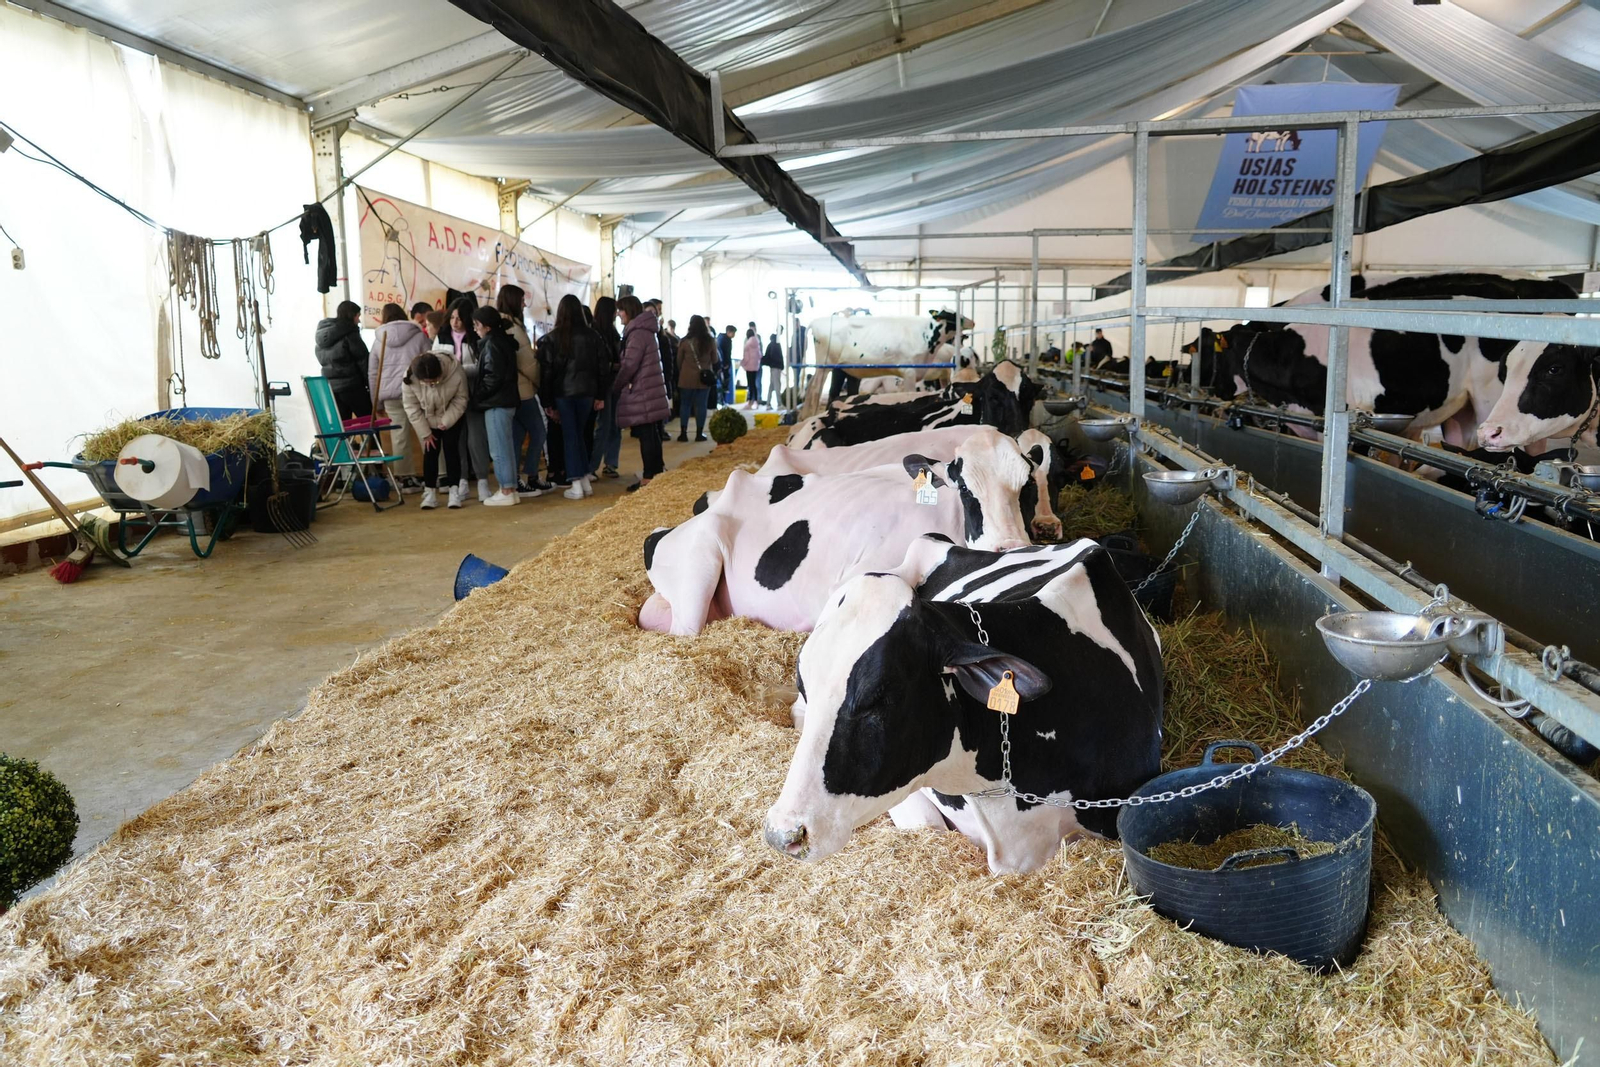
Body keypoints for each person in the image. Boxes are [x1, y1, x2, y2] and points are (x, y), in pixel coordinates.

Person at [538, 294, 607, 500]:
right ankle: (584, 480)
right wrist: (600, 394)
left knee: (570, 436)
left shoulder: (552, 338)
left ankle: (576, 482)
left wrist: (547, 402)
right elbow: (602, 368)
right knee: (580, 435)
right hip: (587, 393)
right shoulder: (594, 336)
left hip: (564, 394)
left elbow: (547, 374)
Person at [613, 295, 672, 492]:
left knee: (647, 434)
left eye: (621, 310)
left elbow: (630, 364)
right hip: (651, 389)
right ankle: (655, 473)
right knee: (652, 434)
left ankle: (648, 477)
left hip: (643, 391)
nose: (619, 314)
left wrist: (616, 384)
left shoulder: (637, 333)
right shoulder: (646, 330)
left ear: (628, 310)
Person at [370, 302, 430, 490]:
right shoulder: (419, 336)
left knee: (399, 435)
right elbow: (431, 362)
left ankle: (405, 479)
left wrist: (376, 401)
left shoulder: (379, 341)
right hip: (417, 391)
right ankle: (438, 475)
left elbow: (372, 373)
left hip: (391, 395)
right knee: (426, 432)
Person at [401, 344, 467, 509]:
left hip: (452, 415)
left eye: (435, 381)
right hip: (427, 418)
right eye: (426, 382)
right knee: (430, 451)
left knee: (451, 450)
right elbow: (411, 407)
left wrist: (446, 422)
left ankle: (454, 491)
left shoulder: (455, 370)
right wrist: (425, 432)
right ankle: (429, 492)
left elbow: (461, 399)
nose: (432, 384)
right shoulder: (410, 377)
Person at [497, 285, 549, 497]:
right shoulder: (513, 329)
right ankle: (531, 476)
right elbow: (528, 363)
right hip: (523, 390)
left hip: (511, 392)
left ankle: (518, 479)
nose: (524, 304)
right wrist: (539, 383)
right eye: (521, 301)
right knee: (538, 432)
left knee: (517, 437)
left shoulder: (503, 325)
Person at [469, 307, 522, 507]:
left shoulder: (491, 344)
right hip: (506, 401)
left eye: (477, 325)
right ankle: (510, 489)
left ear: (487, 326)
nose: (475, 329)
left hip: (496, 402)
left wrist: (477, 396)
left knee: (499, 449)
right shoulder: (503, 341)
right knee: (506, 446)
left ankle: (506, 489)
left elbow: (493, 377)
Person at [314, 300, 371, 420]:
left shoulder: (322, 337)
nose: (359, 320)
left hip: (331, 389)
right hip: (352, 387)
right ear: (352, 315)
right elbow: (363, 361)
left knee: (343, 427)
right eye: (358, 316)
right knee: (370, 422)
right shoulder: (350, 334)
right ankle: (372, 440)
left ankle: (347, 440)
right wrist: (369, 384)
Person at [591, 295, 623, 480]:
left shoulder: (612, 331)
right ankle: (593, 465)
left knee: (614, 425)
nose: (617, 314)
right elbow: (599, 362)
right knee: (604, 426)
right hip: (603, 385)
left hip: (614, 384)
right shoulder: (596, 332)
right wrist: (613, 366)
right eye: (615, 310)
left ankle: (610, 463)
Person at [676, 316, 718, 442]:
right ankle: (699, 434)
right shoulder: (710, 341)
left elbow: (679, 361)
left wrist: (684, 370)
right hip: (704, 379)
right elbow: (715, 359)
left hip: (686, 378)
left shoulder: (684, 341)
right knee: (701, 406)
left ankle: (683, 433)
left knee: (685, 405)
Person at [741, 326, 762, 409]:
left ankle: (750, 401)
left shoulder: (747, 344)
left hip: (749, 367)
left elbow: (746, 357)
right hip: (756, 366)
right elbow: (760, 355)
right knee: (754, 384)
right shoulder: (757, 343)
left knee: (750, 384)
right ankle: (756, 401)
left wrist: (742, 364)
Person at [762, 331, 784, 408]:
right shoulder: (776, 344)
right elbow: (778, 357)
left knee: (772, 386)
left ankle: (768, 403)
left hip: (773, 367)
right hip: (776, 367)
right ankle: (779, 403)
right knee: (777, 385)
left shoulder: (771, 344)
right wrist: (781, 366)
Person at [716, 325, 736, 406]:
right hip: (724, 365)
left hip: (723, 364)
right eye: (733, 333)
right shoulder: (725, 340)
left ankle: (722, 401)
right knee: (723, 384)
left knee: (723, 383)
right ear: (729, 332)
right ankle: (722, 401)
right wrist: (725, 364)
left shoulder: (721, 339)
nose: (734, 335)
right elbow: (724, 354)